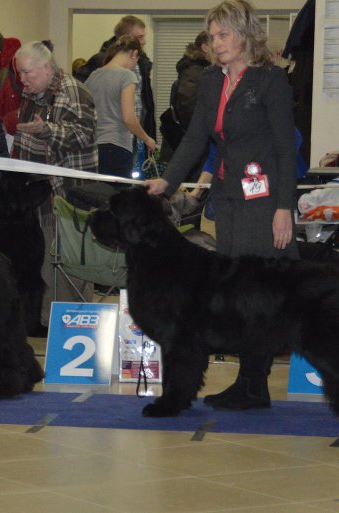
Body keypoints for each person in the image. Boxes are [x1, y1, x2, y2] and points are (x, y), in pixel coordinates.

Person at [146, 0, 298, 412]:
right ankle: (249, 384)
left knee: (258, 296)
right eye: (212, 37)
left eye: (223, 35)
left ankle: (254, 383)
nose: (216, 44)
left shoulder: (271, 81)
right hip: (229, 200)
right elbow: (196, 139)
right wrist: (168, 180)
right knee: (235, 295)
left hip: (265, 202)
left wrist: (284, 207)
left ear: (246, 33)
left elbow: (287, 149)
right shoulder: (212, 81)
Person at [13, 40, 97, 178]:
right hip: (33, 182)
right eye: (19, 73)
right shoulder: (30, 89)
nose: (22, 79)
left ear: (47, 68)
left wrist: (45, 130)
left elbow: (81, 137)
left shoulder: (72, 92)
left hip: (65, 185)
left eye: (26, 72)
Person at [85, 35, 156, 181]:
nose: (135, 65)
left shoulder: (93, 76)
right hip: (117, 146)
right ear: (134, 54)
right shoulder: (126, 76)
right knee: (118, 198)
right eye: (136, 61)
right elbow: (129, 118)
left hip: (94, 147)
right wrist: (147, 139)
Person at [74, 15, 156, 140]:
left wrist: (146, 135)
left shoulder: (142, 63)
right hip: (111, 135)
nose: (144, 41)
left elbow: (145, 102)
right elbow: (79, 89)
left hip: (135, 135)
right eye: (140, 37)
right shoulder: (100, 62)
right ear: (126, 38)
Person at [160, 31, 211, 163]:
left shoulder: (192, 70)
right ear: (205, 47)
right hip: (187, 144)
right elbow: (187, 105)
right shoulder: (194, 71)